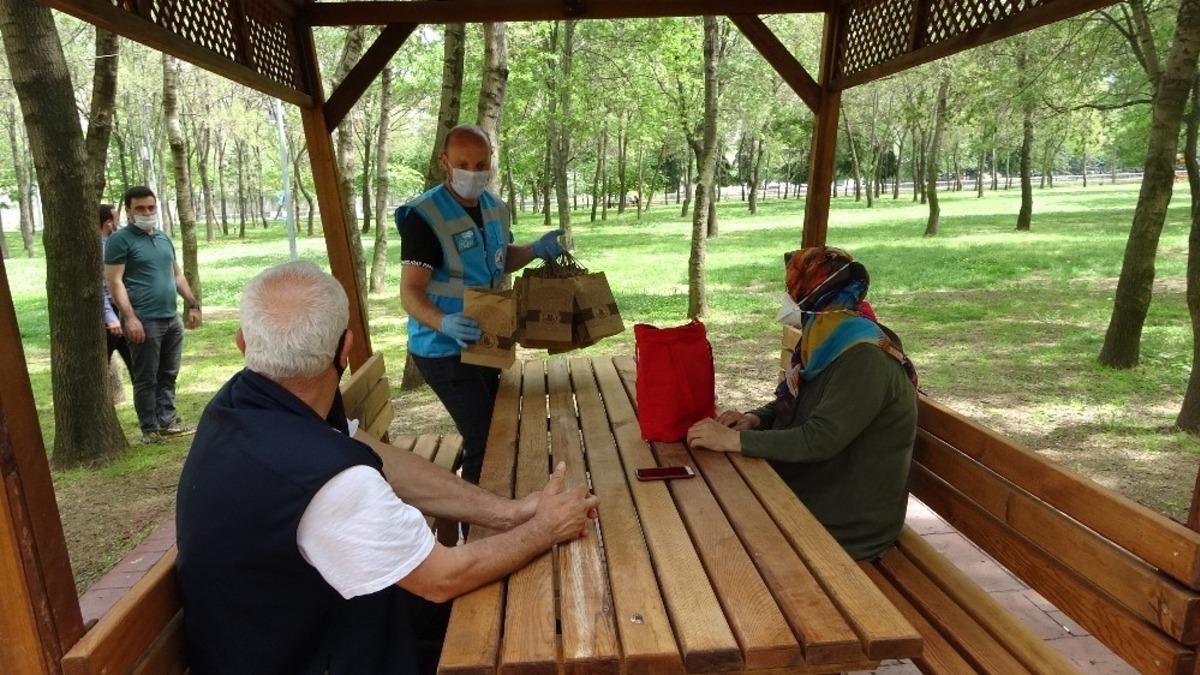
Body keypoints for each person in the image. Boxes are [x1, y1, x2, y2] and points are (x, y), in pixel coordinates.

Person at [175, 261, 599, 675]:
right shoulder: (326, 480)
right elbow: (441, 578)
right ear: (346, 348)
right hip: (317, 654)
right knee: (542, 628)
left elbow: (385, 461)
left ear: (242, 344)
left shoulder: (244, 403)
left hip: (298, 634)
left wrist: (507, 512)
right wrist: (544, 529)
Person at [686, 246, 919, 561]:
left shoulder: (865, 359)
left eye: (792, 292)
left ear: (817, 298)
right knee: (709, 511)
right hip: (821, 487)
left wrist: (734, 440)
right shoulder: (830, 338)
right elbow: (805, 400)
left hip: (847, 522)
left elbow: (820, 439)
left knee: (716, 537)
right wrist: (756, 419)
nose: (787, 302)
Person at [397, 124, 565, 485]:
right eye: (463, 164)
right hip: (441, 346)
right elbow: (410, 292)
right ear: (445, 161)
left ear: (491, 161)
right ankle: (482, 522)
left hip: (486, 336)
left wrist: (535, 250)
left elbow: (501, 258)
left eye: (480, 164)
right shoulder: (424, 216)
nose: (472, 174)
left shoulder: (496, 209)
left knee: (500, 428)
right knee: (486, 438)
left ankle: (499, 500)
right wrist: (444, 322)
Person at [104, 186, 201, 444]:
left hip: (171, 318)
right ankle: (149, 429)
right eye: (140, 208)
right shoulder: (120, 240)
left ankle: (168, 421)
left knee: (168, 373)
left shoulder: (162, 238)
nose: (147, 213)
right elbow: (114, 282)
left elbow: (177, 274)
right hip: (143, 319)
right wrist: (130, 317)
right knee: (145, 376)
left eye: (151, 207)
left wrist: (192, 304)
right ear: (128, 211)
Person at [99, 203, 132, 374]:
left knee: (136, 363)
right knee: (99, 366)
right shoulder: (101, 248)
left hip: (121, 310)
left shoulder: (112, 243)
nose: (119, 224)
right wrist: (110, 317)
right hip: (109, 315)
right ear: (108, 223)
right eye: (117, 219)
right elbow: (101, 285)